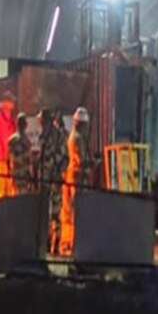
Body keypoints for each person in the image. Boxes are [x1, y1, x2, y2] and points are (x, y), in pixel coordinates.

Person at [59, 106, 92, 255]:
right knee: (76, 210)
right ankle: (72, 243)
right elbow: (81, 160)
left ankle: (69, 242)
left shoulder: (73, 136)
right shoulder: (77, 139)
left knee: (71, 209)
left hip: (73, 176)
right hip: (77, 177)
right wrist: (92, 164)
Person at [39, 109, 67, 254]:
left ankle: (53, 244)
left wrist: (56, 170)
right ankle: (50, 244)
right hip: (49, 179)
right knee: (50, 212)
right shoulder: (53, 135)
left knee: (52, 212)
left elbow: (62, 158)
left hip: (51, 179)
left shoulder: (52, 135)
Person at [7, 113, 33, 196]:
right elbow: (29, 160)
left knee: (16, 197)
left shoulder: (11, 140)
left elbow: (8, 158)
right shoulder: (27, 141)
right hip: (23, 174)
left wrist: (9, 172)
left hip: (16, 174)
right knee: (24, 197)